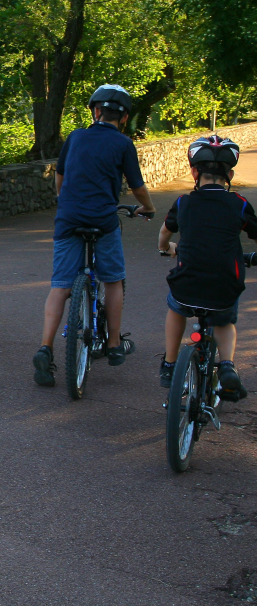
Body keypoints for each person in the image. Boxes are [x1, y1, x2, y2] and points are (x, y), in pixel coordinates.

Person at [33, 84, 156, 386]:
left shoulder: (75, 137)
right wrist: (148, 207)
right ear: (124, 117)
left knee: (61, 285)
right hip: (103, 219)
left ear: (95, 111)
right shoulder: (123, 143)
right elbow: (137, 186)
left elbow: (60, 176)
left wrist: (66, 201)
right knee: (113, 279)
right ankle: (113, 343)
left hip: (69, 218)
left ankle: (45, 348)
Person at [157, 136, 256, 400]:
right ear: (230, 175)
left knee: (176, 307)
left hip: (187, 285)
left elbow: (165, 232)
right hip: (224, 285)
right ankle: (226, 366)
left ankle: (169, 363)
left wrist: (166, 248)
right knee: (224, 319)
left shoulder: (183, 203)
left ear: (194, 172)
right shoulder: (240, 204)